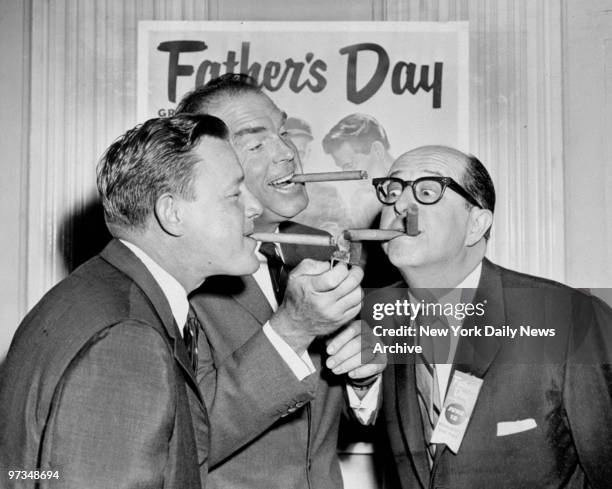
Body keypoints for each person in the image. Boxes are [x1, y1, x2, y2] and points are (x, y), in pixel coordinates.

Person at [0, 114, 263, 489]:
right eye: (235, 194)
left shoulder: (92, 293)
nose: (254, 207)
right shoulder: (127, 340)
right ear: (172, 213)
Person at [176, 74, 385, 489]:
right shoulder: (183, 272)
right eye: (255, 143)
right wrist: (292, 330)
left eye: (284, 132)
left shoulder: (320, 251)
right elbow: (184, 438)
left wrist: (361, 381)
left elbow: (311, 422)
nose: (287, 152)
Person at [371, 145, 612, 488]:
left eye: (426, 191)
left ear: (476, 225)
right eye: (392, 190)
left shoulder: (571, 319)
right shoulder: (376, 315)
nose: (399, 204)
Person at [322, 113, 395, 229]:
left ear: (377, 150)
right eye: (343, 167)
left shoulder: (419, 187)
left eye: (350, 164)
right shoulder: (361, 200)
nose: (347, 174)